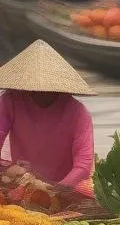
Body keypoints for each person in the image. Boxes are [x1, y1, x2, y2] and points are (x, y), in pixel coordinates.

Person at [0, 40, 95, 192]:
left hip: (65, 185)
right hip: (24, 180)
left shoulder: (78, 113)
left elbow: (83, 166)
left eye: (48, 88)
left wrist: (55, 190)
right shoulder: (10, 100)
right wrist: (6, 173)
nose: (42, 92)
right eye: (36, 87)